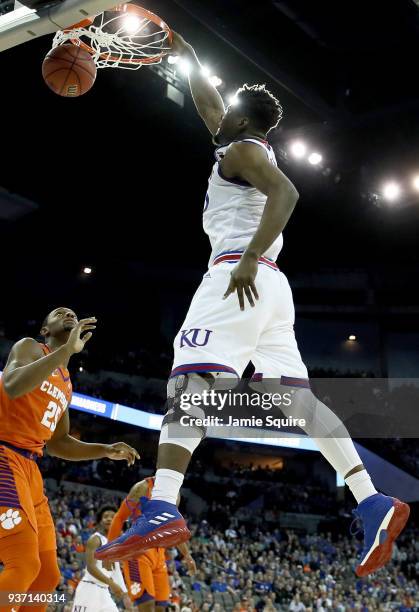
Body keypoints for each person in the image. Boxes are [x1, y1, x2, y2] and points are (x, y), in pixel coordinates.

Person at [96, 32, 409, 578]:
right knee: (301, 403)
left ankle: (164, 504)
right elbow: (207, 99)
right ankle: (371, 497)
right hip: (272, 289)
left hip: (237, 276)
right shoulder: (239, 144)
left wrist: (247, 257)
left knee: (189, 385)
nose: (218, 118)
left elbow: (288, 194)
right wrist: (181, 49)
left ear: (243, 122)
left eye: (229, 114)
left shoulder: (241, 152)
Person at [0, 307, 139, 611]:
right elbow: (11, 385)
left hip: (30, 468)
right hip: (4, 454)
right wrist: (63, 351)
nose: (68, 314)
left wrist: (103, 449)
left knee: (48, 575)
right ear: (45, 329)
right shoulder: (31, 347)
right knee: (22, 562)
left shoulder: (66, 383)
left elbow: (58, 443)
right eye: (59, 313)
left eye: (72, 313)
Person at [107, 477, 196, 611]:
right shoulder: (142, 488)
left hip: (159, 555)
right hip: (138, 551)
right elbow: (119, 517)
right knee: (146, 605)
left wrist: (187, 555)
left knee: (161, 607)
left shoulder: (174, 493)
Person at [71, 505, 128, 611]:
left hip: (104, 592)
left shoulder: (114, 543)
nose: (109, 519)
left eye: (112, 517)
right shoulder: (95, 539)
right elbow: (91, 568)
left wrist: (125, 594)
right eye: (105, 516)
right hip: (88, 590)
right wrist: (112, 584)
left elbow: (116, 571)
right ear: (100, 521)